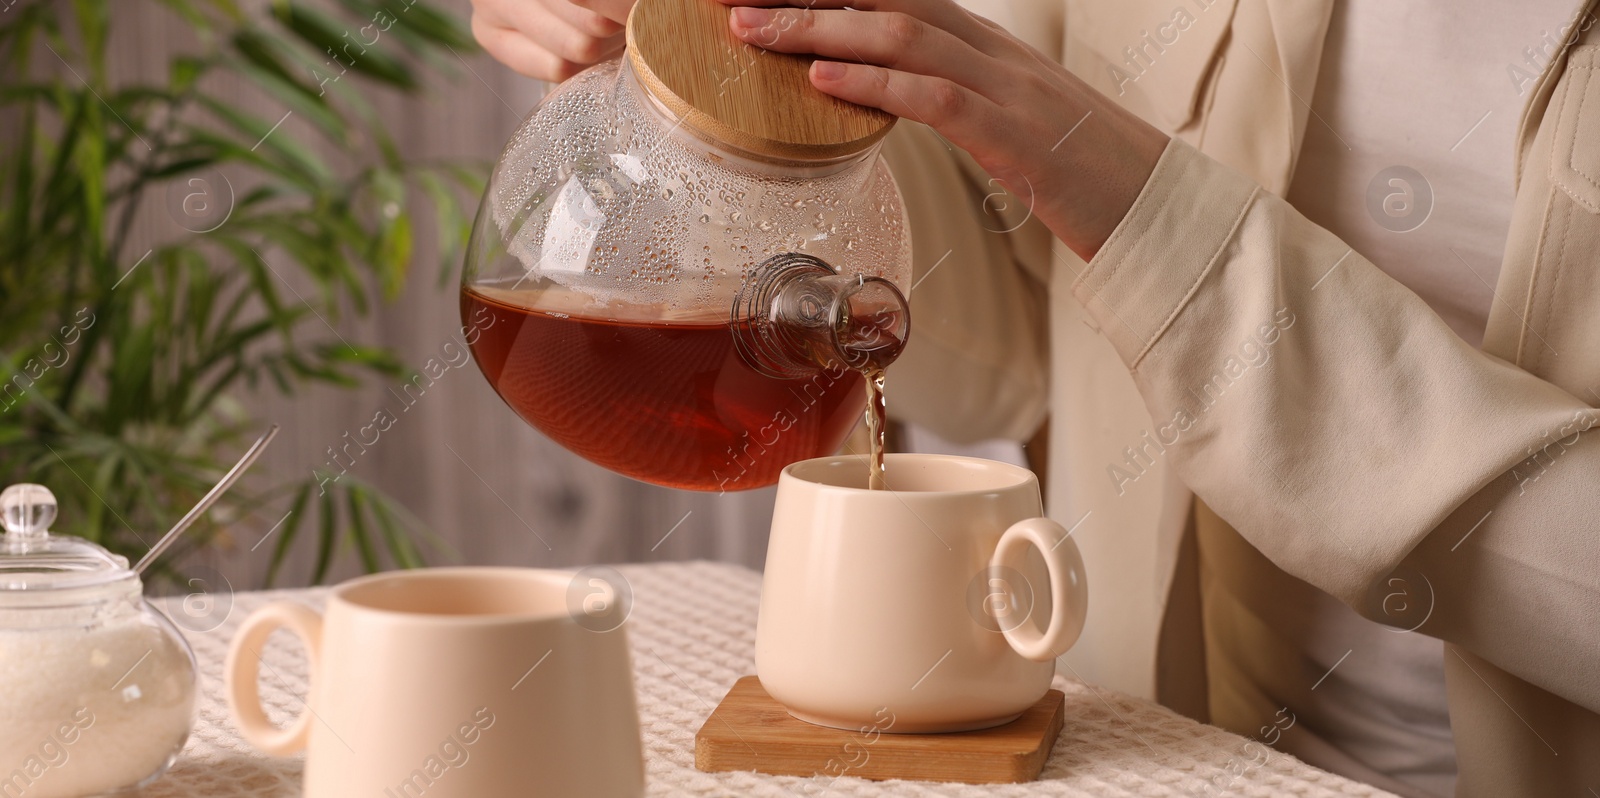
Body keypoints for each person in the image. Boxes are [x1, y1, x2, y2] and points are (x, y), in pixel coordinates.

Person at [469, 0, 1600, 795]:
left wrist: (1153, 221)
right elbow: (1012, 344)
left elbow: (1128, 222)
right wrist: (735, 85)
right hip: (1152, 761)